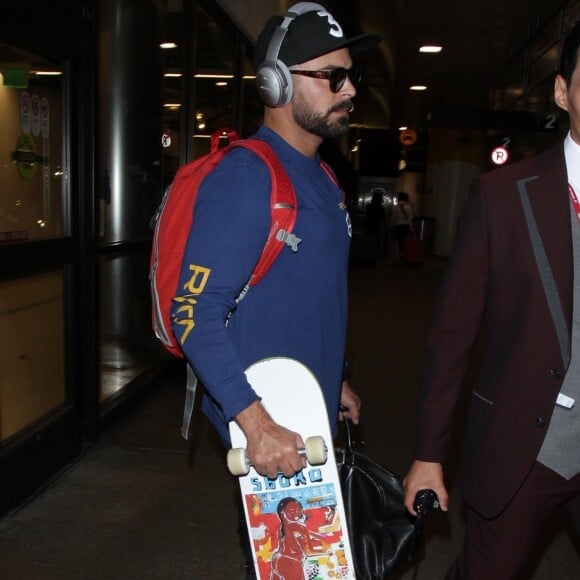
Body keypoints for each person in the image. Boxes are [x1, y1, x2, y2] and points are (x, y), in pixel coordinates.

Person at [170, 2, 380, 575]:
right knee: (296, 565)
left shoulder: (325, 177)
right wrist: (254, 424)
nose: (350, 89)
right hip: (272, 427)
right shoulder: (248, 178)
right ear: (277, 83)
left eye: (351, 75)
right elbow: (190, 311)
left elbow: (311, 295)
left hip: (305, 412)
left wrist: (332, 378)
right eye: (332, 77)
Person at [403, 21, 580, 579]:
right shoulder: (504, 195)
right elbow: (453, 334)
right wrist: (430, 452)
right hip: (527, 447)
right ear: (562, 92)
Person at [390, 191, 414, 260]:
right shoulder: (410, 207)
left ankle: (399, 256)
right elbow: (410, 218)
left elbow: (393, 218)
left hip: (398, 226)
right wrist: (411, 227)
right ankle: (404, 255)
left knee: (398, 242)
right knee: (404, 242)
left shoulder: (396, 207)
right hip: (406, 226)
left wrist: (390, 226)